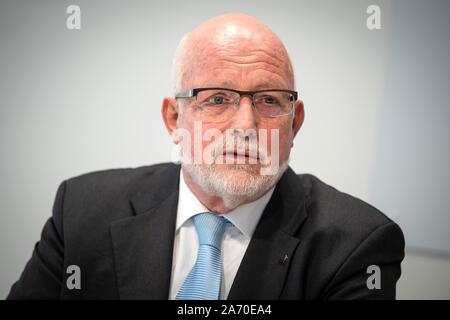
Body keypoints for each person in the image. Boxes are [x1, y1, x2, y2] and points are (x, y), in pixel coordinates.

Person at [7, 13, 404, 300]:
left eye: (269, 100)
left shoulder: (356, 244)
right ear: (173, 118)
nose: (245, 124)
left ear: (294, 123)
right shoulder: (82, 209)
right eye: (216, 98)